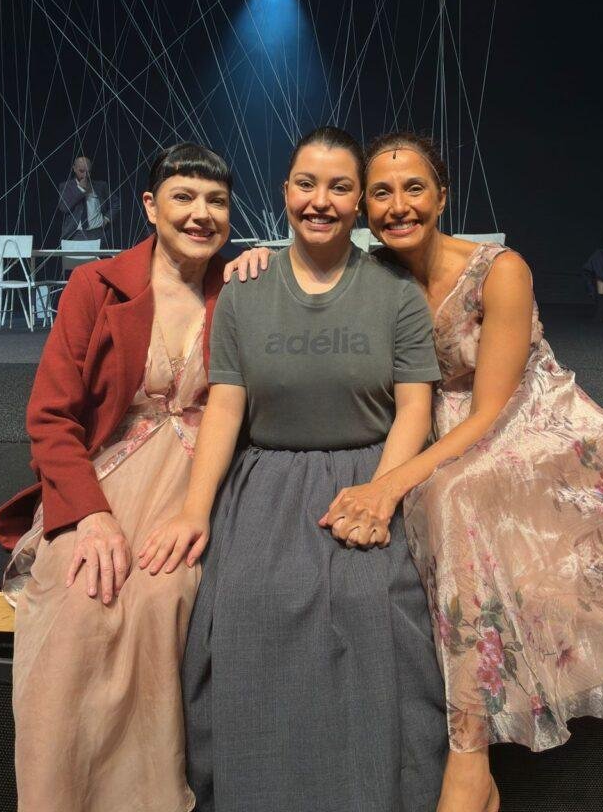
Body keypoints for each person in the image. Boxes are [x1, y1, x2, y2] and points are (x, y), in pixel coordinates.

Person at [233, 133, 603, 812]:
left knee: (451, 497)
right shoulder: (375, 272)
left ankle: (469, 753)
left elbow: (489, 408)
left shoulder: (499, 270)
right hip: (434, 426)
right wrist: (255, 259)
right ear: (365, 206)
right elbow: (307, 267)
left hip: (526, 423)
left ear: (442, 195)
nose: (398, 206)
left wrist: (391, 482)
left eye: (414, 188)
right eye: (381, 193)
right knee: (428, 505)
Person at [141, 127, 449, 811]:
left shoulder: (396, 292)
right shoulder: (245, 289)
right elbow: (226, 407)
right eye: (306, 184)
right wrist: (195, 510)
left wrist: (379, 493)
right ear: (285, 192)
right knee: (245, 602)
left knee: (378, 606)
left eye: (340, 187)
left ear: (358, 202)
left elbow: (413, 409)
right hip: (268, 482)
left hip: (370, 472)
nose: (320, 201)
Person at [0, 142, 232, 812]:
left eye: (216, 201)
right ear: (151, 206)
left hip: (198, 480)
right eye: (184, 197)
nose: (201, 213)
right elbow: (51, 416)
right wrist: (90, 514)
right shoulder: (96, 286)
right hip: (106, 475)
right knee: (77, 598)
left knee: (161, 597)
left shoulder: (240, 288)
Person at [58, 154, 120, 245]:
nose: (85, 175)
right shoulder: (66, 186)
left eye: (88, 172)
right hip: (75, 235)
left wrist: (107, 218)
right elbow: (64, 207)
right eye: (81, 171)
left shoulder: (101, 186)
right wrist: (80, 190)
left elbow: (116, 203)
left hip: (97, 233)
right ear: (74, 168)